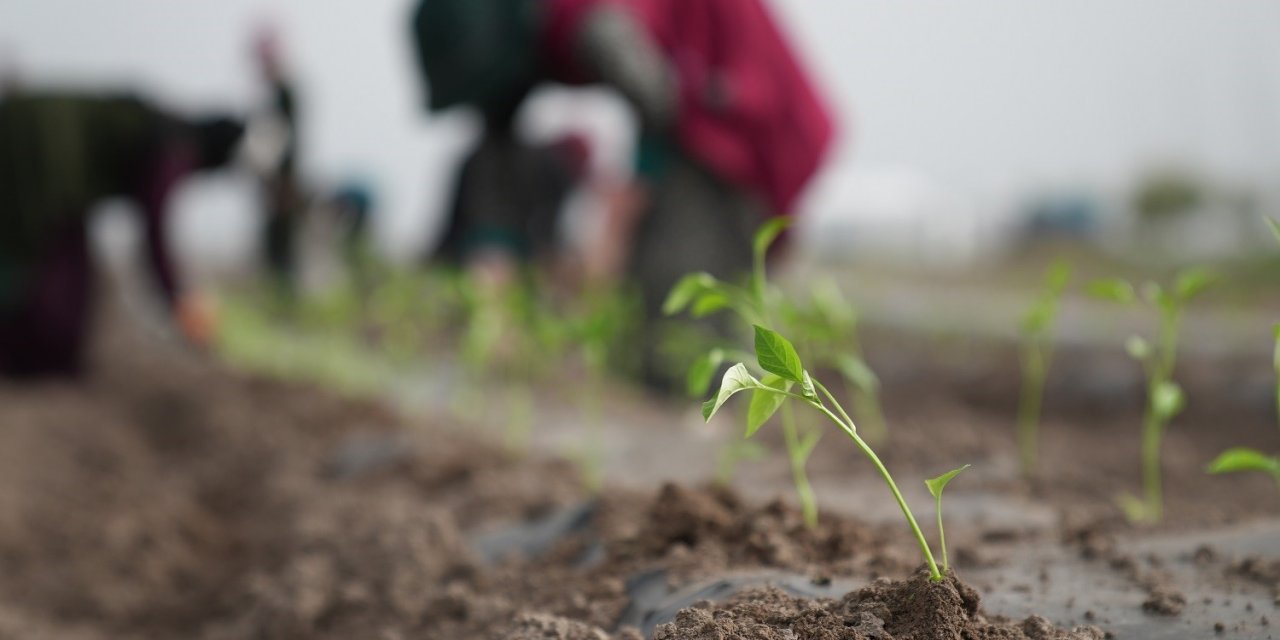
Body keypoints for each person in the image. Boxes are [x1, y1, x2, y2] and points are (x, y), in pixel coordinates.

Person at [411, 0, 834, 383]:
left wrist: (614, 227)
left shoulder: (598, 24)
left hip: (733, 123)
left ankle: (704, 423)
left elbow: (660, 105)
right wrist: (493, 287)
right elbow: (496, 156)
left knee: (678, 313)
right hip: (687, 121)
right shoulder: (502, 43)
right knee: (645, 330)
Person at [0, 91, 245, 378]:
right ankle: (28, 360)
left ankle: (37, 360)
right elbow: (155, 233)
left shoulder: (163, 130)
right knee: (46, 267)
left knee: (64, 267)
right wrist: (180, 300)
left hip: (38, 142)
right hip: (36, 145)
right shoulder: (172, 150)